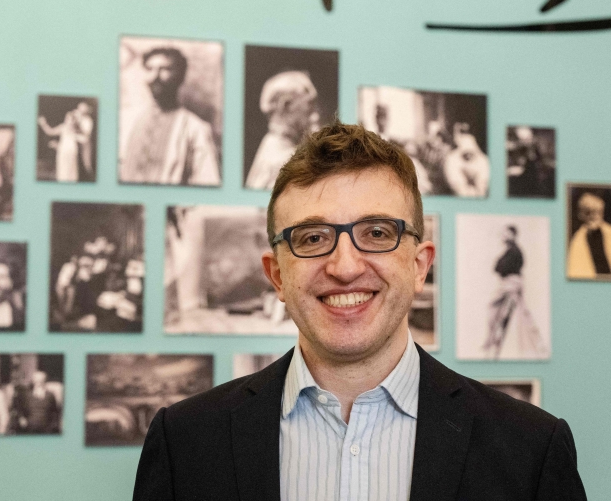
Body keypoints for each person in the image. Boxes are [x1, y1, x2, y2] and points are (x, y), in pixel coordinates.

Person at [133, 122, 586, 501]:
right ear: (277, 277)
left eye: (376, 232)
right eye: (312, 238)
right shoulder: (186, 443)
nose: (345, 267)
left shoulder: (531, 450)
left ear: (419, 265)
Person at [120, 47, 220, 185]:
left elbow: (207, 181)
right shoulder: (127, 119)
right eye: (149, 69)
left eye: (165, 69)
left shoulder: (195, 128)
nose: (155, 77)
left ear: (180, 76)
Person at [245, 71, 320, 190]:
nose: (315, 116)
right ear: (286, 105)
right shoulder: (285, 160)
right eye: (309, 105)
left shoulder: (270, 145)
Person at [484, 226, 548, 359]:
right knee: (502, 313)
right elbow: (496, 267)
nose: (504, 236)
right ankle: (494, 343)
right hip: (509, 284)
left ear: (512, 235)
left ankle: (496, 343)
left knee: (506, 313)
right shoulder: (508, 251)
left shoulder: (514, 251)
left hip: (511, 284)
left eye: (507, 234)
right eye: (503, 234)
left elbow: (503, 267)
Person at [567, 192, 611, 279]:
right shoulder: (577, 240)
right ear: (581, 215)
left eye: (597, 212)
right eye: (588, 212)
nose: (593, 217)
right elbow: (574, 272)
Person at [38, 101, 94, 182]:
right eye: (66, 118)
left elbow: (84, 139)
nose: (68, 121)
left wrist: (78, 132)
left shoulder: (79, 128)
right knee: (62, 172)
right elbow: (50, 132)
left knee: (72, 172)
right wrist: (43, 123)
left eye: (70, 119)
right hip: (63, 152)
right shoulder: (63, 127)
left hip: (71, 153)